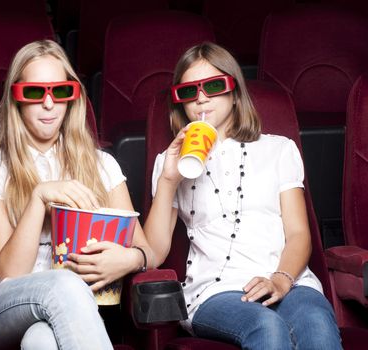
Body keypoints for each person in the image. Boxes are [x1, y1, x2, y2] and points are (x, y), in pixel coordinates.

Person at [143, 42, 342, 349]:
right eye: (188, 91)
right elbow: (153, 253)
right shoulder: (168, 163)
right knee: (266, 326)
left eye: (212, 86)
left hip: (289, 280)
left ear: (235, 92)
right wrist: (169, 179)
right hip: (215, 291)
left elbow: (299, 233)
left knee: (315, 323)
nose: (200, 98)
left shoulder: (279, 149)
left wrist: (280, 279)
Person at [0, 40, 153, 350]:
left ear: (72, 97)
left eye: (60, 92)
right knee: (64, 283)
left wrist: (129, 259)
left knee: (41, 341)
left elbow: (147, 249)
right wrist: (39, 197)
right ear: (17, 99)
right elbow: (11, 273)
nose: (49, 105)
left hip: (70, 310)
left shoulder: (101, 165)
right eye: (36, 93)